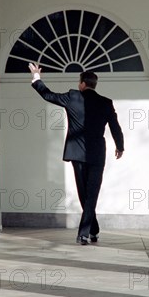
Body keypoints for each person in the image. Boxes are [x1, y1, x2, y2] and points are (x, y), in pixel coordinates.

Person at [29, 63, 124, 245]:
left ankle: (84, 233)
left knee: (84, 193)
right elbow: (115, 127)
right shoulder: (106, 103)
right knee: (91, 193)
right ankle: (93, 230)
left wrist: (37, 78)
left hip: (77, 153)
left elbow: (48, 95)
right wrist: (120, 146)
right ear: (94, 85)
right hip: (97, 154)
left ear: (82, 84)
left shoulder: (73, 97)